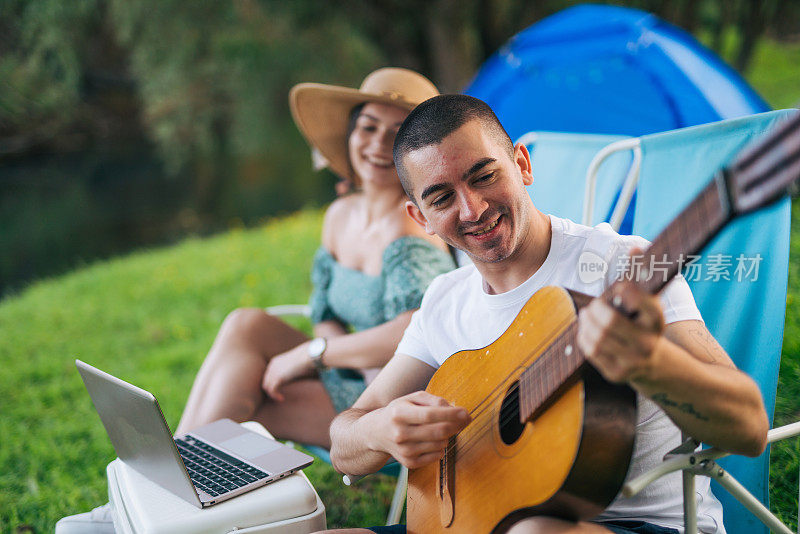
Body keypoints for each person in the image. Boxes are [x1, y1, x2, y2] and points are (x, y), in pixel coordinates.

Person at [319, 95, 769, 534]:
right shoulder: (444, 300)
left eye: (484, 175)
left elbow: (749, 429)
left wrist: (652, 364)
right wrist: (379, 429)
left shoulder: (621, 266)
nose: (472, 209)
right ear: (421, 218)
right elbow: (345, 443)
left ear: (522, 164)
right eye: (442, 199)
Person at [55, 68, 456, 534]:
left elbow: (415, 328)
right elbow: (325, 311)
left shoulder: (410, 232)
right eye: (368, 126)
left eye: (395, 134)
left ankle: (152, 510)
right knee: (246, 325)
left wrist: (312, 354)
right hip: (343, 375)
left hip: (387, 395)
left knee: (242, 407)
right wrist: (321, 357)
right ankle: (158, 507)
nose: (375, 143)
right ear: (350, 134)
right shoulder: (341, 213)